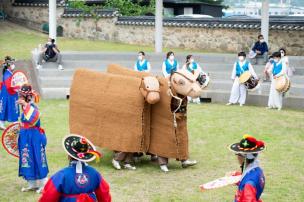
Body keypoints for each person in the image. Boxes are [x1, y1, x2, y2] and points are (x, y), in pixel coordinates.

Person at [39, 134, 111, 202]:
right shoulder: (95, 174)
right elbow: (104, 194)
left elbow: (48, 197)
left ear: (69, 156)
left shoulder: (61, 175)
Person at [17, 84, 48, 193]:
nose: (19, 98)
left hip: (34, 136)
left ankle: (44, 183)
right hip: (26, 136)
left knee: (37, 157)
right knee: (27, 157)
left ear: (26, 97)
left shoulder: (32, 107)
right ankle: (32, 183)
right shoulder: (25, 107)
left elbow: (33, 118)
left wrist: (25, 104)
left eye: (20, 96)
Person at [229, 134, 266, 202]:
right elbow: (250, 179)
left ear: (244, 157)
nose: (237, 157)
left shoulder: (248, 184)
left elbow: (249, 185)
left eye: (238, 154)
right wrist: (236, 176)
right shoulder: (258, 170)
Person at [0, 56, 20, 130]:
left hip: (7, 94)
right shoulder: (8, 75)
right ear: (8, 66)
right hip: (9, 94)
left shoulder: (8, 73)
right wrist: (17, 88)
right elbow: (9, 86)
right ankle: (14, 122)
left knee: (5, 107)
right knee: (11, 107)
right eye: (12, 63)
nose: (13, 65)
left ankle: (2, 122)